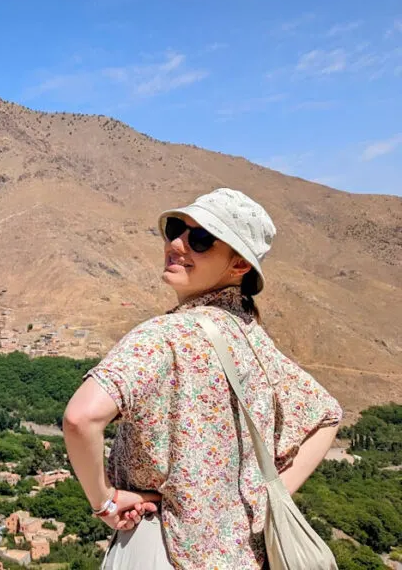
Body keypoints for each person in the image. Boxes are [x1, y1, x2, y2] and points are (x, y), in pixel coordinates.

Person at [62, 188, 343, 569]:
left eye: (201, 239)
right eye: (176, 229)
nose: (177, 244)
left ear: (239, 265)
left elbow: (81, 418)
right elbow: (327, 415)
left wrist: (105, 503)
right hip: (243, 556)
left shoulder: (162, 336)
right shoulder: (252, 338)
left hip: (162, 549)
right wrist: (265, 500)